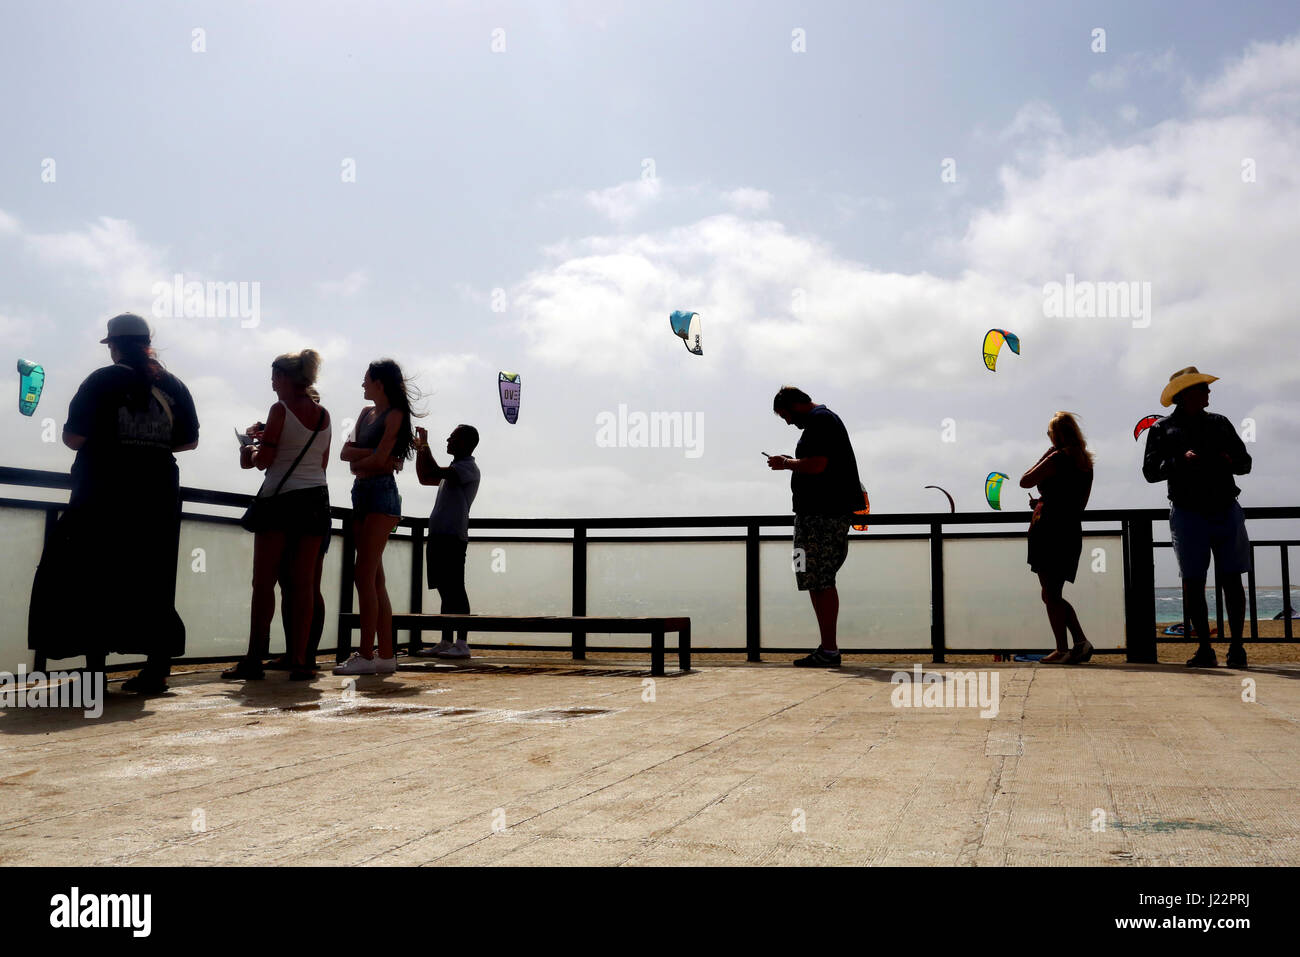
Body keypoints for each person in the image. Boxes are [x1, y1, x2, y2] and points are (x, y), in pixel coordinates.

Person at [28, 313, 199, 694]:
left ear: (115, 346)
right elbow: (188, 441)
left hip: (102, 493)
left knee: (91, 578)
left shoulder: (102, 381)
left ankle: (94, 675)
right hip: (156, 497)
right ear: (147, 342)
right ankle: (157, 671)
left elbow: (73, 438)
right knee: (152, 581)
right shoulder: (173, 385)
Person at [224, 351, 331, 682]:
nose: (272, 383)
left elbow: (263, 462)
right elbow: (322, 463)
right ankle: (301, 660)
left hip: (280, 501)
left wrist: (250, 447)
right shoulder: (324, 414)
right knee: (302, 587)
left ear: (286, 377)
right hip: (316, 500)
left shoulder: (279, 410)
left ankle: (254, 658)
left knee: (264, 582)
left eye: (274, 376)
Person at [1143, 367, 1252, 668]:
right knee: (1193, 582)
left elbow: (1245, 463)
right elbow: (1150, 472)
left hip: (1225, 508)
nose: (1209, 392)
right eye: (1203, 387)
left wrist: (1230, 461)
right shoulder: (1162, 428)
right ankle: (1206, 648)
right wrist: (1179, 461)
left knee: (1232, 580)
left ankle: (1237, 647)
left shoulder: (1220, 423)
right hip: (1188, 512)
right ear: (1187, 393)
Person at [767, 386, 863, 667]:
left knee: (821, 577)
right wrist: (792, 462)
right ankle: (827, 647)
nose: (788, 422)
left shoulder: (821, 420)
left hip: (823, 513)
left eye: (786, 415)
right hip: (817, 513)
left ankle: (830, 650)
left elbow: (818, 465)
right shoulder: (822, 421)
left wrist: (786, 463)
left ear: (796, 404)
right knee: (814, 577)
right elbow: (817, 462)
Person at [334, 359, 418, 676]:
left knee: (363, 574)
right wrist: (369, 460)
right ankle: (385, 654)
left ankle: (366, 654)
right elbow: (346, 455)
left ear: (379, 382)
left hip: (382, 495)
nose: (362, 385)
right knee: (375, 579)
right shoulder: (366, 414)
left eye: (366, 379)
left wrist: (367, 459)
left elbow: (383, 459)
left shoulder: (396, 415)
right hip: (361, 493)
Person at [1020, 412, 1095, 664]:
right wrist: (1046, 501)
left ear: (1056, 435)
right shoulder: (1084, 462)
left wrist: (1045, 455)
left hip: (1049, 532)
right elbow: (1075, 502)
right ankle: (1080, 642)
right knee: (1052, 593)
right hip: (1070, 530)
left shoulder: (1057, 458)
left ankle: (1062, 649)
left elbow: (1025, 481)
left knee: (1050, 594)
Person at [412, 425, 481, 659]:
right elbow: (425, 477)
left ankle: (461, 643)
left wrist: (425, 445)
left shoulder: (467, 468)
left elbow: (432, 469)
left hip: (452, 537)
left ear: (465, 443)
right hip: (439, 535)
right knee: (444, 590)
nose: (449, 440)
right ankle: (446, 641)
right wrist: (421, 450)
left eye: (454, 437)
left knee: (455, 589)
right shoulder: (452, 469)